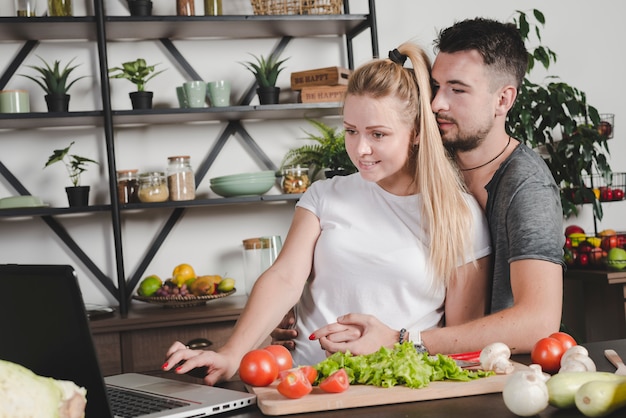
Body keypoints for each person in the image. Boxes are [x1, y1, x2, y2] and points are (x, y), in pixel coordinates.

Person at [162, 41, 491, 384]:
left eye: (378, 134)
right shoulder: (324, 196)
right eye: (351, 131)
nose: (361, 149)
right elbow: (284, 278)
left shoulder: (459, 216)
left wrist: (397, 345)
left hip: (395, 389)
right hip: (304, 384)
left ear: (417, 133)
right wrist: (231, 353)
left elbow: (459, 339)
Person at [300, 17, 565, 356]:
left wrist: (405, 341)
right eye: (436, 87)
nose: (437, 103)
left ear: (503, 100)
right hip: (433, 364)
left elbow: (539, 323)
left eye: (457, 89)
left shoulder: (527, 187)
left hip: (505, 375)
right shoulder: (431, 153)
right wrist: (300, 309)